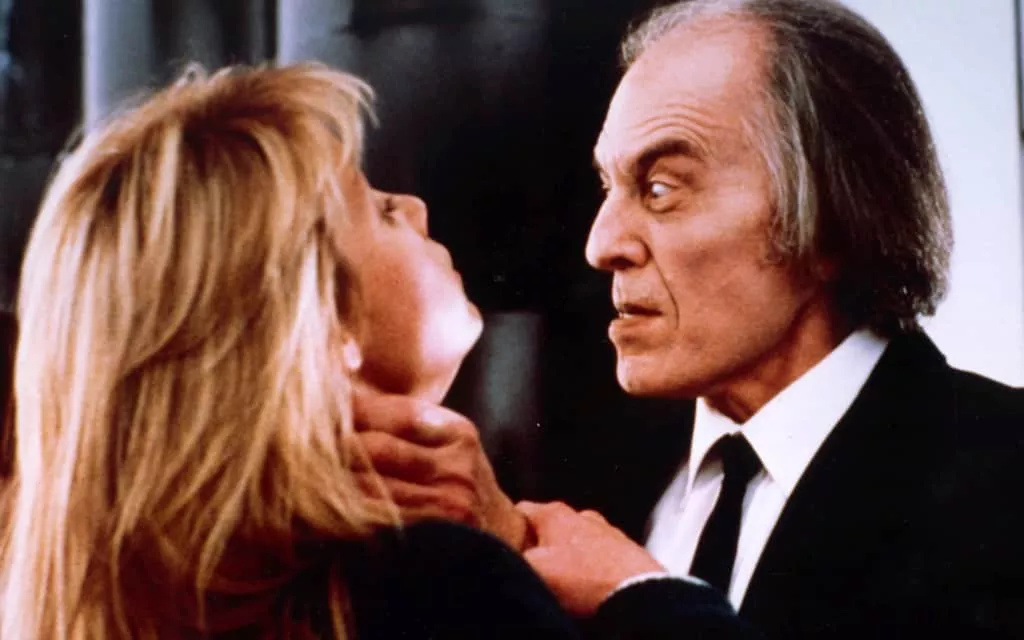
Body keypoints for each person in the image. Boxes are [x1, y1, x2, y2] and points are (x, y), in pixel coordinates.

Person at [356, 0, 1024, 637]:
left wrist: (642, 600)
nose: (601, 244)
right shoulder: (580, 471)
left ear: (830, 219)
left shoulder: (1003, 477)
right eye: (608, 187)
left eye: (660, 189)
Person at [0, 63, 589, 639]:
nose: (416, 206)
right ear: (323, 326)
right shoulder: (437, 586)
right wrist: (627, 592)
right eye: (383, 213)